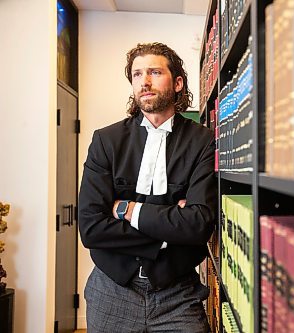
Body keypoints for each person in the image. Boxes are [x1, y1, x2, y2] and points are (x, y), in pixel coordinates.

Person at [78, 42, 216, 333]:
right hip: (112, 290)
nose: (145, 81)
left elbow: (198, 225)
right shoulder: (106, 140)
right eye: (137, 74)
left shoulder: (202, 141)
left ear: (178, 83)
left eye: (155, 72)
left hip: (178, 294)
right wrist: (167, 231)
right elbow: (91, 228)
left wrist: (127, 209)